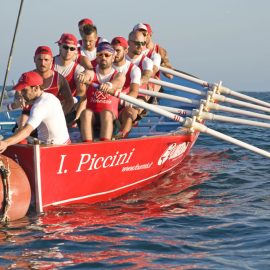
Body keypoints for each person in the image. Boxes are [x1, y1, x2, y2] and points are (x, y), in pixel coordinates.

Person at [0, 71, 70, 153]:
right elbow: (7, 106)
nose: (21, 94)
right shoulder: (49, 97)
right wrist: (14, 105)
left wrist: (6, 143)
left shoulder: (40, 106)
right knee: (19, 129)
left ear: (36, 88)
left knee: (18, 133)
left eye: (24, 90)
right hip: (63, 144)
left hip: (54, 149)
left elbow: (26, 131)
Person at [78, 42, 125, 142]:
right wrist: (82, 76)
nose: (103, 57)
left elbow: (119, 82)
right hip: (92, 118)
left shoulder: (119, 75)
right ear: (97, 57)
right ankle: (87, 147)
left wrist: (109, 85)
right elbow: (86, 74)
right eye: (100, 55)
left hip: (111, 119)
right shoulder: (91, 72)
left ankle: (105, 144)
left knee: (106, 113)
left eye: (107, 55)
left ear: (113, 58)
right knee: (85, 113)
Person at [111, 36, 141, 138]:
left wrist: (120, 100)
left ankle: (122, 137)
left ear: (126, 51)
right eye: (112, 50)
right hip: (107, 104)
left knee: (130, 113)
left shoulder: (134, 69)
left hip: (123, 105)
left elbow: (134, 92)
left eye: (118, 50)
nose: (114, 54)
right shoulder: (105, 65)